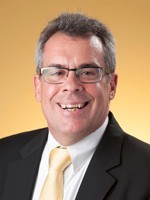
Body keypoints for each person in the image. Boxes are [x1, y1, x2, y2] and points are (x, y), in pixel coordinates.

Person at [0, 13, 150, 200]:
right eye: (57, 72)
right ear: (38, 87)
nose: (71, 86)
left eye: (87, 72)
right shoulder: (3, 156)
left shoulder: (146, 172)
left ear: (111, 85)